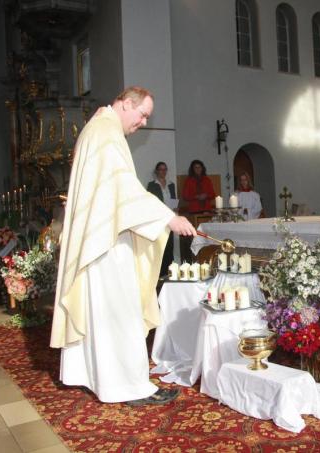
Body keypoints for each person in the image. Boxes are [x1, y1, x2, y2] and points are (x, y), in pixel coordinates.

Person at [50, 86, 197, 406]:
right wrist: (168, 218)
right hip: (107, 245)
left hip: (100, 239)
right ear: (126, 104)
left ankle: (98, 377)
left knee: (102, 314)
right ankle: (126, 386)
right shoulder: (106, 133)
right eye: (143, 114)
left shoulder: (96, 128)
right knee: (119, 314)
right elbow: (124, 191)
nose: (143, 122)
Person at [146, 161, 178, 276]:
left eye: (165, 169)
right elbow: (150, 202)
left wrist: (175, 208)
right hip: (158, 218)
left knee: (170, 245)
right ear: (156, 171)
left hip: (170, 217)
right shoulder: (152, 185)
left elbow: (174, 199)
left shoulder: (171, 184)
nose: (163, 172)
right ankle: (159, 272)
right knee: (160, 244)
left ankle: (170, 270)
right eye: (160, 169)